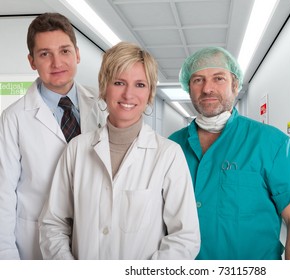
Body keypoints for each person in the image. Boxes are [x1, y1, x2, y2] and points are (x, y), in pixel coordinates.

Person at [39, 42, 200, 260]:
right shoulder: (76, 149)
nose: (128, 94)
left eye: (140, 85)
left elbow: (185, 238)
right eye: (119, 82)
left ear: (150, 93)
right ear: (104, 87)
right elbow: (53, 225)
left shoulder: (169, 155)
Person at [169, 46, 290, 260]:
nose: (207, 89)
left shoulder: (271, 143)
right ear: (188, 87)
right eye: (198, 80)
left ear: (235, 84)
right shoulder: (172, 146)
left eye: (218, 78)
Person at [0, 13, 107, 260]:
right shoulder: (14, 118)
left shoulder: (102, 105)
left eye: (65, 51)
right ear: (32, 61)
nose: (57, 62)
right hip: (34, 245)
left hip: (93, 239)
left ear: (77, 54)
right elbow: (3, 195)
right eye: (45, 54)